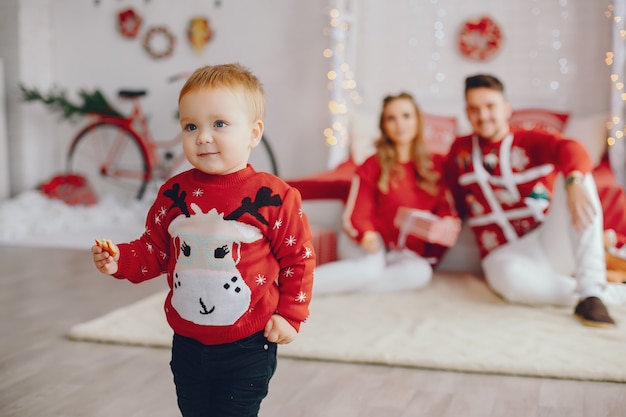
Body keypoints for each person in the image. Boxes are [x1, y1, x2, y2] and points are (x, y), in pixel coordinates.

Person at [91, 63, 315, 416]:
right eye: (190, 126)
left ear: (253, 134)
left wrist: (291, 314)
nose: (203, 136)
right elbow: (155, 250)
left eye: (219, 124)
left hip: (248, 344)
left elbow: (298, 259)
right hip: (188, 344)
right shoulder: (173, 193)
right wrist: (120, 259)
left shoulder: (274, 197)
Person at [443, 73, 626, 328]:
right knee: (507, 281)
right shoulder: (459, 151)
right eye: (474, 109)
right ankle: (599, 294)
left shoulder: (530, 139)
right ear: (466, 112)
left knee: (579, 177)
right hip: (505, 255)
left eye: (490, 106)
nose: (483, 115)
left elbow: (573, 149)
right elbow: (451, 199)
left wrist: (572, 181)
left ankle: (592, 290)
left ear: (507, 108)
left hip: (548, 240)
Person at [313, 92, 460, 295]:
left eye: (406, 116)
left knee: (421, 273)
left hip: (401, 250)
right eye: (392, 118)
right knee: (370, 268)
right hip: (366, 240)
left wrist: (449, 222)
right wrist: (367, 236)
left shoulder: (434, 165)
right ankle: (295, 290)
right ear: (384, 125)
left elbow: (445, 208)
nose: (400, 124)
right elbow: (356, 213)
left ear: (418, 120)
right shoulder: (372, 165)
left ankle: (347, 289)